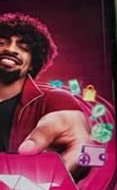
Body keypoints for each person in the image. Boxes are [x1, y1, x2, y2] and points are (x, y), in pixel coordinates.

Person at [0, 13, 93, 176]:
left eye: (24, 47)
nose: (11, 49)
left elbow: (92, 151)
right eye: (1, 43)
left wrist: (85, 150)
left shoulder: (56, 100)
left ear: (32, 64)